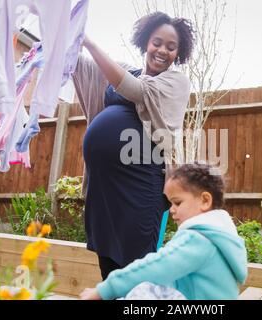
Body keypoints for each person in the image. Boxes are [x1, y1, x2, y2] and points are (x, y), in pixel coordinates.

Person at [72, 12, 195, 280]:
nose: (162, 50)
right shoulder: (129, 70)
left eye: (171, 47)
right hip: (104, 188)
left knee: (137, 269)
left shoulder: (175, 82)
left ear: (178, 53)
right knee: (108, 266)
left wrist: (89, 43)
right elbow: (80, 66)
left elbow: (136, 90)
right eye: (157, 42)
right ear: (145, 42)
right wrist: (62, 40)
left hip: (139, 187)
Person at [79, 163, 248, 300]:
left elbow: (155, 267)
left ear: (204, 200)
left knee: (144, 289)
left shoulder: (198, 240)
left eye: (177, 202)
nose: (171, 209)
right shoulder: (221, 236)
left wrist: (104, 290)